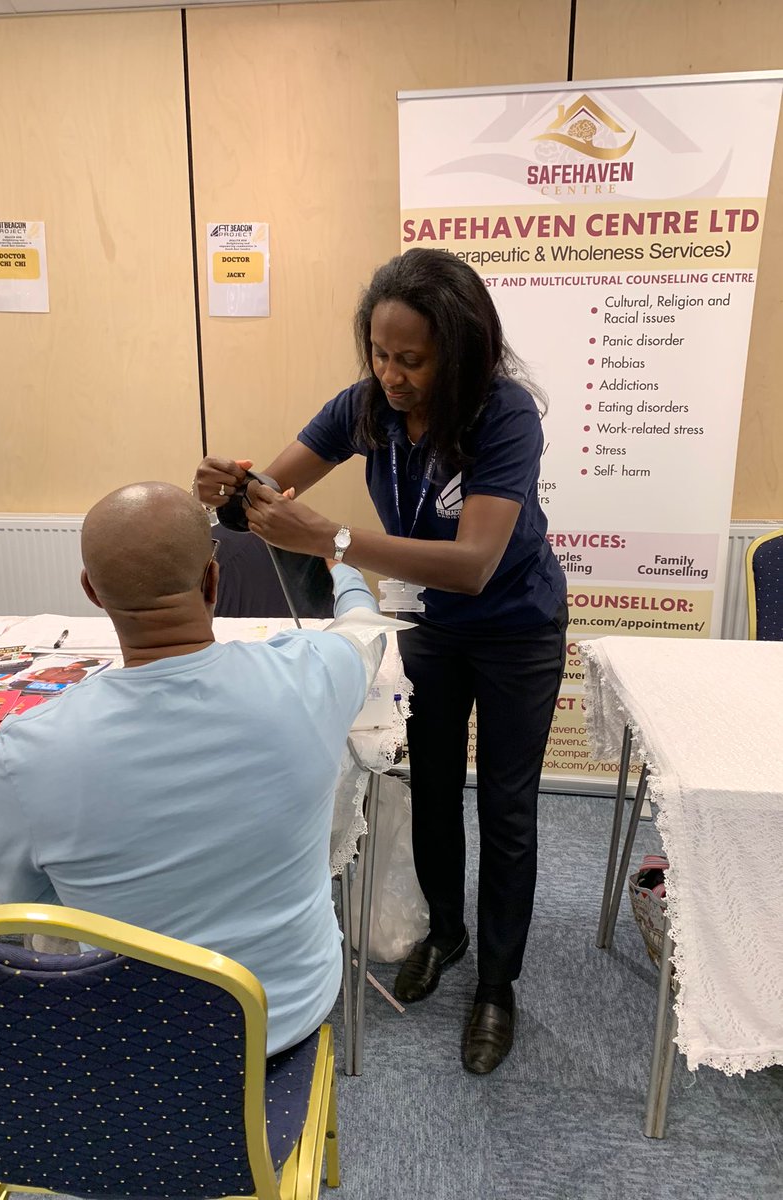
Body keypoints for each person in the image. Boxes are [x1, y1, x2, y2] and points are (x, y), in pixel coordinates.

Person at [196, 248, 567, 1075]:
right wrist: (228, 488)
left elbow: (474, 562)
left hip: (515, 628)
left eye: (412, 360)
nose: (391, 376)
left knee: (506, 808)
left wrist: (330, 537)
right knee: (430, 785)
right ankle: (448, 933)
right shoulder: (364, 408)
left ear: (459, 352)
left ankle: (497, 986)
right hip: (430, 625)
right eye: (379, 353)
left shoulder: (505, 415)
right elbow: (271, 492)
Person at [0, 481, 388, 1056]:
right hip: (289, 1009)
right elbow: (363, 631)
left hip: (132, 1035)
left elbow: (26, 904)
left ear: (91, 592)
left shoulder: (28, 749)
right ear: (213, 579)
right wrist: (336, 563)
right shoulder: (309, 677)